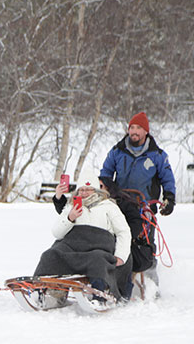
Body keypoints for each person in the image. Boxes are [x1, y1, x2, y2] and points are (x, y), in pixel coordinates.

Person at [35, 169, 132, 301]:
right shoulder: (71, 206)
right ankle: (46, 291)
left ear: (96, 190)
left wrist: (121, 255)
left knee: (97, 260)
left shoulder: (108, 206)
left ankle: (100, 294)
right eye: (82, 190)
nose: (84, 193)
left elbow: (123, 231)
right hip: (72, 246)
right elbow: (56, 232)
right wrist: (70, 217)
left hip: (98, 247)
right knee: (50, 255)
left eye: (88, 189)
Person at [100, 112, 176, 215]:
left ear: (146, 131)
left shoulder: (157, 155)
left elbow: (167, 179)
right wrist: (108, 191)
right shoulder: (117, 151)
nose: (134, 131)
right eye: (132, 128)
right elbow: (106, 173)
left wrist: (169, 199)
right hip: (119, 206)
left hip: (144, 207)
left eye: (139, 128)